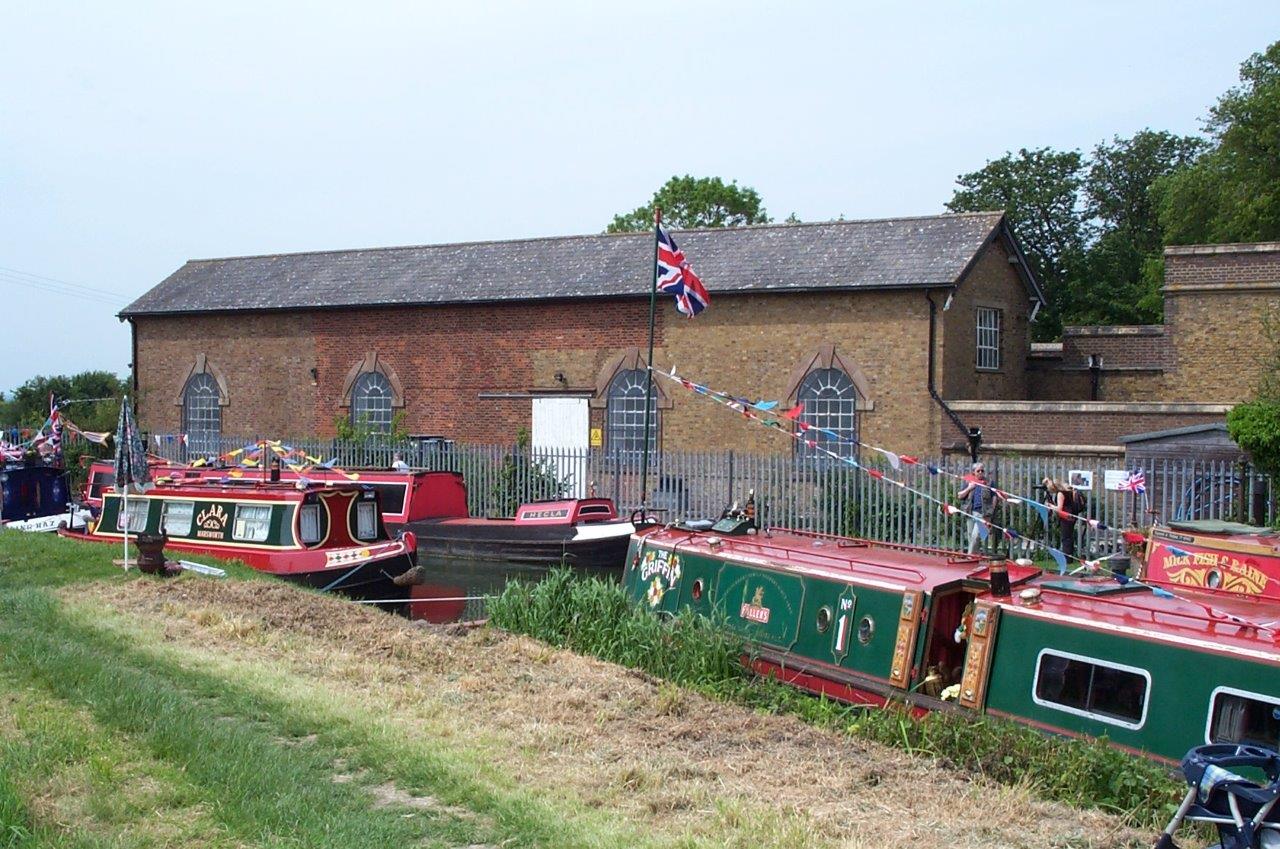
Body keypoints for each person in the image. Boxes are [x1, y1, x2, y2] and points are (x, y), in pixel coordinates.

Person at [956, 462, 992, 554]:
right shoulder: (970, 482)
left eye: (982, 470)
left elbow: (995, 497)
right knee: (971, 537)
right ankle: (975, 558)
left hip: (983, 514)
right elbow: (960, 496)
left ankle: (969, 557)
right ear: (974, 472)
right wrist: (969, 488)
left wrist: (990, 513)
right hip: (970, 513)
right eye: (978, 471)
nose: (980, 472)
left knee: (976, 536)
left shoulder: (989, 482)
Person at [1044, 477, 1081, 558]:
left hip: (1066, 517)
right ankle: (1070, 556)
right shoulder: (1068, 491)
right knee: (1069, 537)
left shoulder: (1060, 494)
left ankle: (1067, 557)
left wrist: (1050, 505)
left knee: (1066, 538)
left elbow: (1059, 509)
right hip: (1071, 515)